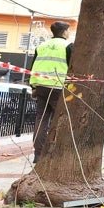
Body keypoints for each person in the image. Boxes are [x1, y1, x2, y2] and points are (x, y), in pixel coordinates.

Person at [28, 21, 72, 163]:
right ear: (64, 32)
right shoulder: (67, 46)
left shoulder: (41, 46)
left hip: (40, 86)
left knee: (41, 119)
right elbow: (73, 67)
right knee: (59, 120)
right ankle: (55, 152)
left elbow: (33, 66)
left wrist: (33, 87)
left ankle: (38, 154)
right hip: (58, 87)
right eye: (68, 30)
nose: (69, 33)